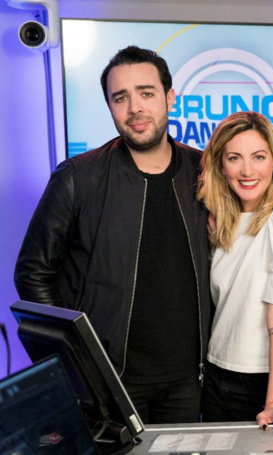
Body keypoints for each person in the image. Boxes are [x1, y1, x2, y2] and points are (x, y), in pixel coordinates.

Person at [14, 46, 212, 424]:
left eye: (146, 93)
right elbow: (33, 273)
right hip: (108, 381)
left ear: (170, 97)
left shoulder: (203, 171)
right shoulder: (78, 176)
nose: (134, 108)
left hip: (188, 379)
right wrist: (74, 360)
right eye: (120, 98)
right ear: (110, 106)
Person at [197, 111, 273, 434]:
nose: (247, 170)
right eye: (234, 158)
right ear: (220, 166)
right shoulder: (222, 222)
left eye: (258, 157)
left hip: (266, 381)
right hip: (216, 374)